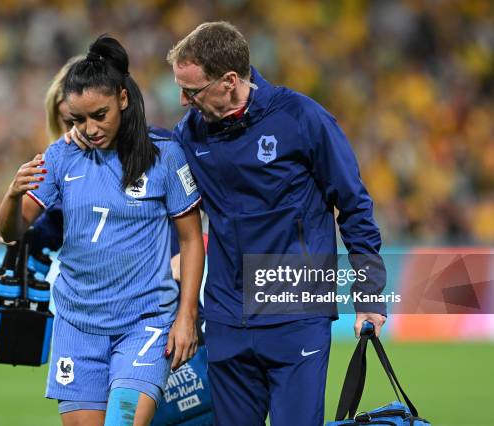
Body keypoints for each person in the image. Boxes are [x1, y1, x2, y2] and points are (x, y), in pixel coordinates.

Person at [166, 21, 387, 426]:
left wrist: (369, 294)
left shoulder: (302, 119)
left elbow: (354, 206)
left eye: (192, 90)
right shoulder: (189, 136)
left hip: (297, 313)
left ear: (229, 81)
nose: (182, 100)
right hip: (226, 319)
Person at [0, 35, 204, 426]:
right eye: (77, 119)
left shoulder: (165, 156)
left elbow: (192, 239)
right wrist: (11, 195)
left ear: (123, 100)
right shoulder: (61, 156)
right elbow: (12, 230)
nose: (89, 128)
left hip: (144, 324)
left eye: (99, 115)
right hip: (77, 326)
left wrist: (186, 316)